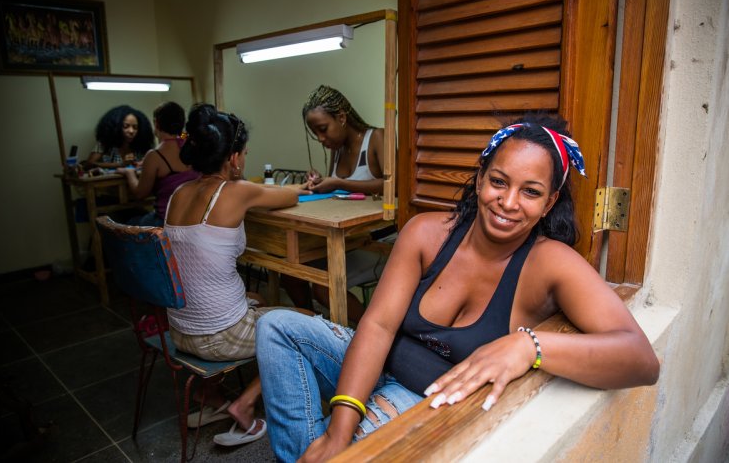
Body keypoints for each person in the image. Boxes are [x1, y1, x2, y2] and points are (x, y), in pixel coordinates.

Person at [255, 114, 660, 462]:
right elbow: (377, 327)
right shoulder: (427, 233)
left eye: (531, 192)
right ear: (481, 178)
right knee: (276, 328)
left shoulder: (550, 262)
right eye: (499, 181)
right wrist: (338, 430)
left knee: (354, 451)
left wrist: (529, 347)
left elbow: (641, 360)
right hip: (377, 363)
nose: (508, 202)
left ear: (550, 203)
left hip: (427, 395)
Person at [163, 103, 310, 447]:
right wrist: (302, 186)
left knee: (255, 298)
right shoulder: (237, 190)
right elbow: (289, 195)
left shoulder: (177, 194)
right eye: (244, 153)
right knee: (307, 322)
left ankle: (210, 396)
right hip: (218, 337)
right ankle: (245, 404)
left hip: (179, 332)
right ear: (233, 158)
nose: (245, 158)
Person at [282, 85, 388, 322]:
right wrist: (322, 181)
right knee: (290, 274)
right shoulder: (337, 150)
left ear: (341, 117)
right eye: (316, 133)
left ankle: (372, 334)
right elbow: (339, 191)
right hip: (342, 240)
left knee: (324, 288)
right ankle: (314, 325)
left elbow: (394, 185)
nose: (321, 139)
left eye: (323, 129)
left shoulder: (377, 138)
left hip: (373, 242)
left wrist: (339, 182)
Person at [116, 101, 200, 227]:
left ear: (156, 123)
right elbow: (183, 136)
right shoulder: (191, 145)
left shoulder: (154, 155)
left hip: (167, 222)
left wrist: (129, 173)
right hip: (192, 218)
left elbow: (140, 194)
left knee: (127, 222)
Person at [85, 105, 154, 169]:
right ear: (115, 127)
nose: (131, 131)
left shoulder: (141, 146)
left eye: (135, 127)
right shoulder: (104, 143)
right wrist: (120, 164)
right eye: (126, 126)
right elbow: (89, 164)